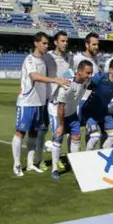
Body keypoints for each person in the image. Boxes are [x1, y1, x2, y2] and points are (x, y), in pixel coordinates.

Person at [12, 32, 70, 177]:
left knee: (33, 134)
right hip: (26, 102)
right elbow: (34, 76)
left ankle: (30, 164)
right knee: (20, 132)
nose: (46, 46)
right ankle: (17, 164)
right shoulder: (29, 59)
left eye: (47, 43)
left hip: (40, 103)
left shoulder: (44, 60)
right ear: (36, 43)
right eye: (43, 43)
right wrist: (55, 80)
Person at [49, 60, 93, 180]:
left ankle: (75, 165)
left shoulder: (86, 80)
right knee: (58, 137)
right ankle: (54, 169)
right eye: (87, 73)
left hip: (72, 112)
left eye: (91, 73)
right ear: (79, 72)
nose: (89, 76)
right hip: (57, 112)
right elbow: (60, 107)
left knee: (76, 137)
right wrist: (61, 125)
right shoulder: (67, 85)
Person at [42, 30, 74, 171]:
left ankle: (57, 157)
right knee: (50, 131)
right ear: (55, 42)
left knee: (61, 132)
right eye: (62, 41)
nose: (65, 43)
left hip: (65, 101)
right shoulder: (47, 57)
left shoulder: (69, 58)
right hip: (51, 100)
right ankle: (44, 160)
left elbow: (70, 75)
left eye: (66, 41)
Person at [81, 58, 113, 150]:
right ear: (111, 70)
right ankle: (87, 156)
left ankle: (103, 153)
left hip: (104, 112)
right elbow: (85, 85)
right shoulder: (100, 77)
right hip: (90, 112)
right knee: (95, 137)